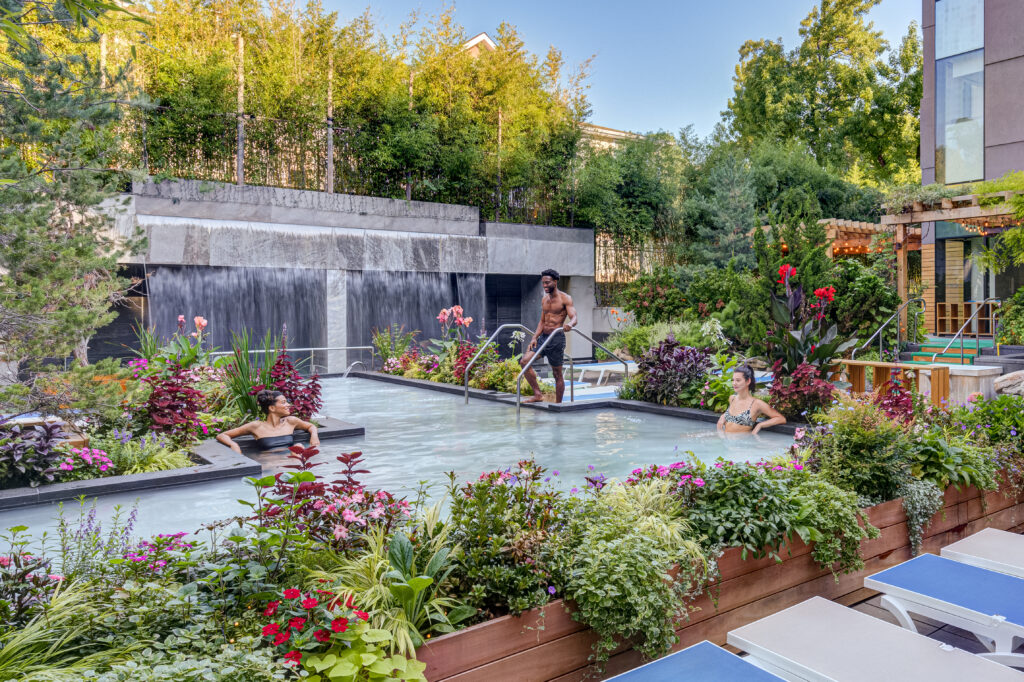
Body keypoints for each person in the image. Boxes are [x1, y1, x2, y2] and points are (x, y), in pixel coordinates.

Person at [521, 269, 578, 403]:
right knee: (524, 362)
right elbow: (542, 321)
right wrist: (535, 337)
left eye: (547, 283)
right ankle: (538, 394)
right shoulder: (544, 299)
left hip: (556, 339)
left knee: (557, 374)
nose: (545, 285)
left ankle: (558, 405)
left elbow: (574, 317)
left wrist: (570, 324)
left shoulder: (565, 298)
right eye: (543, 283)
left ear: (555, 281)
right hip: (543, 339)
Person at [216, 389, 320, 453]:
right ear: (272, 408)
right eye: (283, 402)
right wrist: (234, 445)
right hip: (268, 464)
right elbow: (222, 435)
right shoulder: (256, 426)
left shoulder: (291, 421)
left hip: (290, 462)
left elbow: (311, 426)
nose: (288, 405)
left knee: (298, 447)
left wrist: (314, 436)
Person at [716, 365, 786, 435]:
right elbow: (732, 415)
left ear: (748, 381)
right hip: (726, 441)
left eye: (738, 380)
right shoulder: (732, 398)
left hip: (741, 443)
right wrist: (723, 416)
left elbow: (781, 419)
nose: (734, 383)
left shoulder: (757, 404)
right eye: (733, 380)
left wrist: (760, 425)